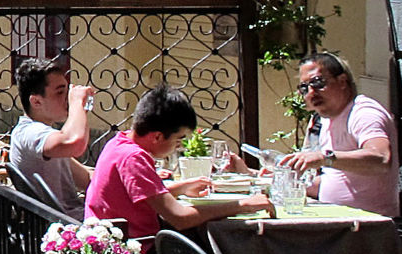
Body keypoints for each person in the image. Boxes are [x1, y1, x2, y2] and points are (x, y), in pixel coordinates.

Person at [85, 86, 267, 239]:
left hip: (114, 241)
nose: (179, 146)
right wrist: (243, 205)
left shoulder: (119, 143)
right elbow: (180, 218)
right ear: (157, 136)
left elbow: (138, 196)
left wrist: (182, 187)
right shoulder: (134, 158)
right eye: (178, 139)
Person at [278, 52, 399, 216]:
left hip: (366, 226)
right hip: (335, 218)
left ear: (342, 81)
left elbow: (381, 159)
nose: (311, 92)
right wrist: (267, 177)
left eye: (318, 83)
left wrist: (325, 158)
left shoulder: (363, 113)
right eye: (304, 88)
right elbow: (334, 181)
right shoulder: (324, 120)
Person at [8, 57, 94, 213]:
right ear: (36, 102)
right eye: (60, 92)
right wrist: (77, 104)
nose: (67, 98)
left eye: (67, 91)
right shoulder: (29, 133)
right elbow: (74, 143)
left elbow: (87, 179)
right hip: (65, 227)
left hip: (74, 218)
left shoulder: (48, 136)